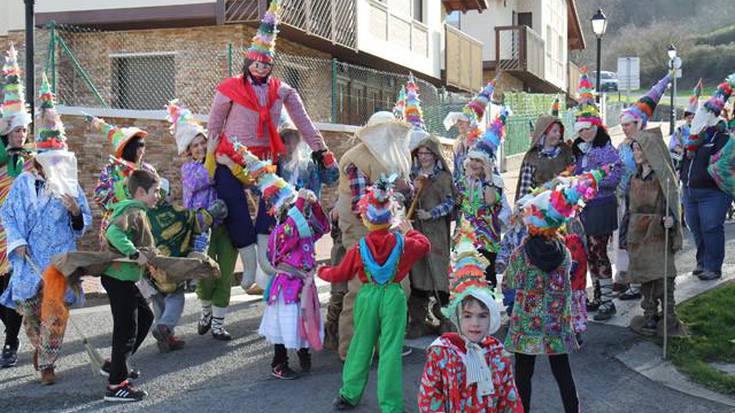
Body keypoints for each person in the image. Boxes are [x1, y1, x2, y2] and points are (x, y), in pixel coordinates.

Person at [206, 0, 334, 294]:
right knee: (234, 204)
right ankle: (249, 264)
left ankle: (265, 261)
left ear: (271, 63)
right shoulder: (229, 88)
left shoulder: (283, 90)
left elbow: (303, 121)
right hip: (231, 155)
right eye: (257, 61)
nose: (261, 66)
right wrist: (211, 150)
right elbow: (214, 122)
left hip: (264, 159)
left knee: (271, 207)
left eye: (266, 62)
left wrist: (320, 148)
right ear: (248, 60)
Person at [0, 74, 92, 384]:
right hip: (28, 260)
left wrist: (76, 212)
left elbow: (84, 222)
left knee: (54, 313)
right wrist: (17, 241)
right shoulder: (23, 183)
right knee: (29, 314)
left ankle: (48, 362)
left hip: (58, 261)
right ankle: (41, 347)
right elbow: (8, 214)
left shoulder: (71, 186)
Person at [318, 175, 430, 412]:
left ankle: (349, 394)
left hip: (368, 297)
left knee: (361, 344)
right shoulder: (403, 243)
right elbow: (424, 246)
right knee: (390, 351)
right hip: (393, 297)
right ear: (392, 218)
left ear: (367, 219)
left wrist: (322, 271)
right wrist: (410, 232)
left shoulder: (359, 247)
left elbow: (340, 273)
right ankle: (391, 406)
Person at [505, 167, 608, 413]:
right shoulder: (564, 253)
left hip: (527, 323)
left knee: (523, 373)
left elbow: (511, 279)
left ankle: (522, 410)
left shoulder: (522, 253)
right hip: (555, 323)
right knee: (562, 373)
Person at [418, 221, 523, 413]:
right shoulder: (442, 353)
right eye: (467, 316)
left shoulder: (497, 354)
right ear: (457, 317)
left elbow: (510, 401)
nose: (475, 323)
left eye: (482, 316)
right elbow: (429, 400)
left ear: (491, 317)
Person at [333, 111, 413, 361]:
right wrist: (391, 194)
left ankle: (384, 346)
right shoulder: (356, 159)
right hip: (362, 234)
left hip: (389, 231)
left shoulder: (393, 156)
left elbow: (404, 189)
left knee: (397, 288)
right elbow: (361, 205)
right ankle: (352, 350)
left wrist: (404, 189)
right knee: (362, 290)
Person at [168, 99, 241, 340]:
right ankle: (206, 313)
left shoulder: (219, 162)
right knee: (205, 273)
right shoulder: (188, 170)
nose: (200, 148)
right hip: (202, 230)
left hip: (227, 227)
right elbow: (205, 178)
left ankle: (218, 325)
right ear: (188, 150)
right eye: (195, 145)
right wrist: (212, 151)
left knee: (226, 273)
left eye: (203, 143)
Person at [144, 177, 226, 352]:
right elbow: (198, 221)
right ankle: (165, 327)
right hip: (174, 267)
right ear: (166, 195)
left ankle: (165, 339)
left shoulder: (144, 215)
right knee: (175, 297)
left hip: (151, 268)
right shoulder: (178, 212)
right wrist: (214, 211)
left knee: (158, 300)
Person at [258, 188, 329, 379]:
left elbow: (323, 226)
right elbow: (292, 228)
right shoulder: (281, 232)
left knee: (303, 321)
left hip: (303, 285)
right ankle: (279, 364)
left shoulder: (303, 229)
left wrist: (314, 204)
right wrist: (300, 201)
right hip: (287, 286)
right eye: (295, 207)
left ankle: (303, 352)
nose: (300, 210)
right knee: (285, 324)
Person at [101, 169, 159, 402]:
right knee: (126, 330)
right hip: (119, 278)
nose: (158, 195)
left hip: (124, 278)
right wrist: (134, 253)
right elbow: (113, 232)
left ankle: (116, 364)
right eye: (155, 191)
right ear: (141, 191)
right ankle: (117, 385)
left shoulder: (137, 210)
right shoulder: (133, 210)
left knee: (145, 318)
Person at [572, 67, 622, 320]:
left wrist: (593, 180)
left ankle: (608, 301)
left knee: (599, 251)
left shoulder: (606, 148)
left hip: (602, 206)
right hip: (585, 208)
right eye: (580, 130)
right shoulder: (580, 151)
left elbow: (615, 176)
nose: (585, 133)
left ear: (596, 127)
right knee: (589, 253)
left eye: (588, 128)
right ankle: (598, 297)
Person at [615, 72, 670, 301]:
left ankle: (640, 285)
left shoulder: (650, 143)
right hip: (625, 199)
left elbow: (663, 173)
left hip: (647, 200)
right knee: (625, 240)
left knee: (641, 241)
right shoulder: (622, 145)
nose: (625, 128)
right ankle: (627, 278)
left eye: (629, 124)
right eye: (623, 124)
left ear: (640, 122)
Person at [625, 129, 684, 336]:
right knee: (646, 278)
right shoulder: (633, 178)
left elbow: (673, 203)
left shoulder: (663, 178)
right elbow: (627, 209)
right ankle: (650, 317)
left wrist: (672, 221)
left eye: (640, 148)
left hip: (659, 232)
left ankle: (668, 318)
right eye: (634, 148)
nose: (636, 152)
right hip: (638, 234)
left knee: (664, 276)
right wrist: (625, 235)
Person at [680, 74, 735, 280]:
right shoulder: (693, 138)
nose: (696, 118)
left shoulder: (723, 137)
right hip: (690, 189)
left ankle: (713, 267)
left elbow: (724, 164)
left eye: (701, 115)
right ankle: (702, 262)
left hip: (713, 192)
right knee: (696, 227)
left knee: (711, 227)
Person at [0, 43, 33, 369]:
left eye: (24, 129)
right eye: (17, 129)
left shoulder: (31, 158)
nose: (21, 134)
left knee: (11, 290)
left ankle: (11, 343)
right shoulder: (1, 153)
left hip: (19, 235)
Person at [407, 135, 455, 338]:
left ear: (435, 155)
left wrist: (431, 213)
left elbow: (451, 202)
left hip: (436, 232)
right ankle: (418, 320)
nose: (424, 157)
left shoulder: (443, 178)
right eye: (421, 152)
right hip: (416, 230)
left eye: (428, 153)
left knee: (439, 273)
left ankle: (445, 318)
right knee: (418, 273)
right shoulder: (412, 175)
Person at [455, 108, 509, 288]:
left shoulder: (495, 182)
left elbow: (489, 201)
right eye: (473, 159)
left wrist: (487, 178)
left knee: (487, 279)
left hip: (487, 240)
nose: (475, 164)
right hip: (466, 238)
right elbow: (457, 203)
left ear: (487, 163)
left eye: (480, 161)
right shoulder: (463, 182)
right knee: (466, 278)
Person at [88, 114, 157, 249]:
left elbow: (158, 193)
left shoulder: (148, 169)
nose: (142, 150)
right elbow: (99, 197)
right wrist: (122, 185)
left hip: (142, 223)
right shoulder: (110, 170)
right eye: (139, 146)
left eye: (143, 145)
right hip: (116, 225)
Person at [514, 114, 574, 202]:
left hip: (565, 205)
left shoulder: (566, 153)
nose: (558, 134)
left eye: (559, 131)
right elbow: (525, 189)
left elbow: (574, 177)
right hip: (539, 208)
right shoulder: (532, 157)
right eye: (554, 131)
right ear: (544, 133)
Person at [669, 79, 703, 172]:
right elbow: (673, 145)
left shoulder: (702, 130)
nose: (691, 119)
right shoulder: (680, 130)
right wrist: (683, 151)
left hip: (699, 163)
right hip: (683, 162)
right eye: (689, 117)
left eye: (693, 117)